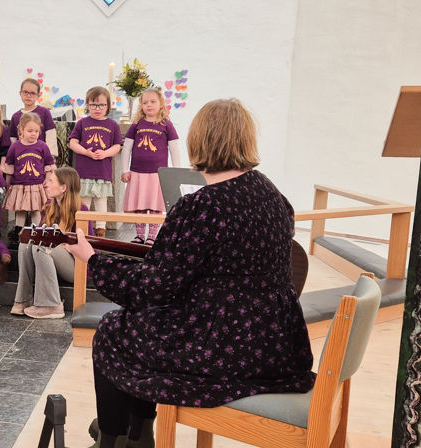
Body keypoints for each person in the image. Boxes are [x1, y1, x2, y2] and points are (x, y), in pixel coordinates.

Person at [65, 99, 316, 447]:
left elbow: (150, 288)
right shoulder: (273, 195)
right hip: (274, 344)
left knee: (114, 329)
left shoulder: (202, 205)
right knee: (148, 325)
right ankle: (138, 434)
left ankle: (114, 439)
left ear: (201, 142)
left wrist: (92, 259)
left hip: (224, 348)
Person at [11, 166, 92, 319]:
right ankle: (23, 299)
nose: (45, 184)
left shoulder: (81, 210)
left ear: (64, 187)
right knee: (26, 241)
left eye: (50, 181)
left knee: (42, 243)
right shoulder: (49, 208)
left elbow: (88, 248)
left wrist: (67, 246)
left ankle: (52, 305)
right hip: (50, 263)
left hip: (76, 268)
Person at [121, 88, 181, 245]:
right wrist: (125, 170)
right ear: (141, 105)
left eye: (153, 101)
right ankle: (140, 235)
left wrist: (175, 172)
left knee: (155, 205)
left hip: (157, 174)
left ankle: (152, 236)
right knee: (139, 204)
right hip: (137, 173)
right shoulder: (136, 125)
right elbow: (126, 147)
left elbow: (174, 149)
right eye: (145, 102)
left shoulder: (166, 125)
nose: (149, 105)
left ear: (161, 103)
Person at [68, 86, 122, 237]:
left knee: (101, 201)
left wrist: (105, 153)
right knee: (84, 201)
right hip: (85, 170)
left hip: (102, 171)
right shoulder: (82, 123)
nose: (97, 108)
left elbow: (117, 146)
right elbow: (72, 143)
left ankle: (100, 229)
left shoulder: (112, 125)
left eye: (101, 105)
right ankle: (84, 228)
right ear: (87, 105)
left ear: (108, 106)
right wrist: (85, 152)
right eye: (93, 105)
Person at [2, 112, 56, 246]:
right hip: (19, 185)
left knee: (36, 210)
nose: (33, 134)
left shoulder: (42, 146)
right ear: (21, 130)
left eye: (36, 131)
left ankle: (36, 232)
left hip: (37, 185)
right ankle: (20, 232)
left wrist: (48, 179)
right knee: (20, 209)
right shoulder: (15, 146)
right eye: (30, 130)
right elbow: (10, 166)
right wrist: (7, 184)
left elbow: (48, 165)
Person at [9, 79, 57, 152]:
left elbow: (51, 136)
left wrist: (50, 157)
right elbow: (13, 139)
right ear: (20, 93)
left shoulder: (45, 112)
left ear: (38, 95)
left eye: (33, 93)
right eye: (25, 92)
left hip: (40, 157)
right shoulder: (15, 116)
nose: (28, 96)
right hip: (21, 156)